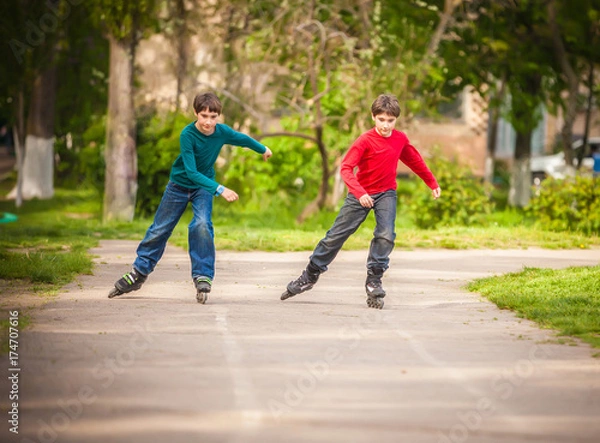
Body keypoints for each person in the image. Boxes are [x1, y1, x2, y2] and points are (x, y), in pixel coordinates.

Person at [108, 92, 272, 303]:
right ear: (195, 113)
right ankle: (139, 272)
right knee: (160, 228)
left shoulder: (221, 132)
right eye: (204, 116)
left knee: (202, 224)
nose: (208, 122)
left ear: (218, 116)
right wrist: (220, 189)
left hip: (203, 188)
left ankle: (203, 275)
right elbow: (192, 172)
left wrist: (263, 149)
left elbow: (242, 139)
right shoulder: (187, 135)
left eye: (213, 117)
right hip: (179, 186)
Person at [281, 94, 441, 309]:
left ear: (396, 120)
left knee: (386, 235)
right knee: (335, 236)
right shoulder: (365, 140)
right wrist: (359, 192)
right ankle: (309, 275)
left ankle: (374, 280)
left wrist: (431, 182)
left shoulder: (400, 139)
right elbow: (346, 168)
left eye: (390, 120)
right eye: (381, 120)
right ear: (373, 117)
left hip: (386, 193)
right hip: (361, 194)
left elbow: (414, 160)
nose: (385, 125)